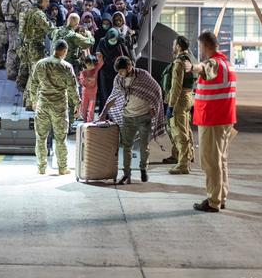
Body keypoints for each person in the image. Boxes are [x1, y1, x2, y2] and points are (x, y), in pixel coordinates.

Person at [188, 31, 237, 213]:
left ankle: (213, 200)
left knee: (210, 160)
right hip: (225, 119)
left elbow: (205, 67)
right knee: (221, 160)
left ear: (205, 46)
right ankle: (221, 196)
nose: (199, 50)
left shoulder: (214, 62)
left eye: (200, 47)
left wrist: (192, 67)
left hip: (212, 119)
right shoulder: (228, 64)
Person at [99, 56, 165, 184]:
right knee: (125, 146)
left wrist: (154, 107)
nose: (120, 74)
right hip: (127, 117)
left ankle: (143, 169)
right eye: (118, 72)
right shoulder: (119, 79)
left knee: (144, 146)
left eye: (122, 71)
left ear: (129, 67)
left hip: (144, 117)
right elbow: (113, 96)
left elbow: (156, 90)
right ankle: (126, 174)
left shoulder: (143, 75)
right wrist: (103, 113)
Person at [28, 39, 80, 175]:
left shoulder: (40, 64)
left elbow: (33, 84)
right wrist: (77, 104)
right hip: (59, 107)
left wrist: (34, 101)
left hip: (42, 105)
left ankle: (41, 168)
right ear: (64, 51)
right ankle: (62, 168)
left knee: (41, 138)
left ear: (54, 49)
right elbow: (73, 88)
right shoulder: (66, 66)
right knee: (60, 139)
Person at [164, 36, 197, 175]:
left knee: (179, 130)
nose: (172, 47)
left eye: (173, 44)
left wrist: (171, 106)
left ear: (178, 45)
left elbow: (176, 86)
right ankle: (180, 155)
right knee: (185, 128)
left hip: (179, 99)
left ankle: (183, 163)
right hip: (189, 96)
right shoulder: (190, 59)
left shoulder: (179, 61)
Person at [18, 0, 53, 105]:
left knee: (31, 73)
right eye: (47, 1)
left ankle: (27, 100)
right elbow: (49, 29)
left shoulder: (29, 10)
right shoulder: (39, 14)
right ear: (41, 0)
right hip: (36, 47)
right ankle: (30, 102)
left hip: (27, 46)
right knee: (35, 75)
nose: (48, 3)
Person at [2, 0, 32, 80]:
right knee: (14, 46)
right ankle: (11, 71)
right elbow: (22, 8)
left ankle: (12, 69)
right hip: (14, 23)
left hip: (10, 21)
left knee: (13, 45)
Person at [96, 28, 130, 113]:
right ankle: (105, 114)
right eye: (111, 39)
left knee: (117, 93)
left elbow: (126, 57)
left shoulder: (120, 42)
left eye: (114, 39)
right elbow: (97, 53)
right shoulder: (102, 42)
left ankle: (116, 115)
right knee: (105, 94)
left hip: (117, 72)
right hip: (105, 71)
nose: (113, 41)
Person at [79, 54, 103, 122]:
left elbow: (101, 63)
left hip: (93, 93)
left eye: (93, 65)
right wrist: (88, 79)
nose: (91, 67)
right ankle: (84, 119)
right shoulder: (83, 72)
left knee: (91, 108)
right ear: (85, 64)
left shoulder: (95, 69)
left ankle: (90, 121)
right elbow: (82, 82)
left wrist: (99, 56)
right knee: (84, 107)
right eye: (89, 65)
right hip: (85, 93)